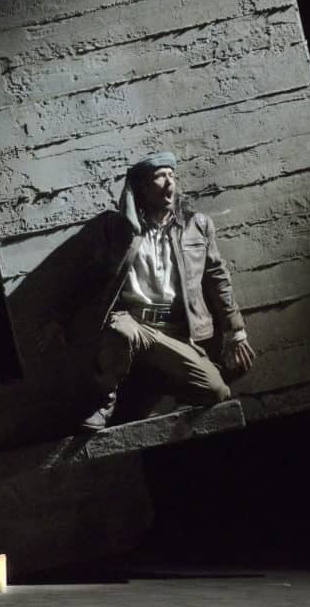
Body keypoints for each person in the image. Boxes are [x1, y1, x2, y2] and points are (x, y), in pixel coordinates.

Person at [83, 151, 255, 431]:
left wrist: (235, 331)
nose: (169, 183)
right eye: (160, 177)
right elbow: (90, 278)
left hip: (176, 334)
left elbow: (217, 277)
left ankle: (157, 385)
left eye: (172, 176)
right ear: (141, 188)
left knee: (217, 392)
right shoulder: (117, 229)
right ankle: (104, 401)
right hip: (135, 326)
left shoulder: (197, 225)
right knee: (120, 329)